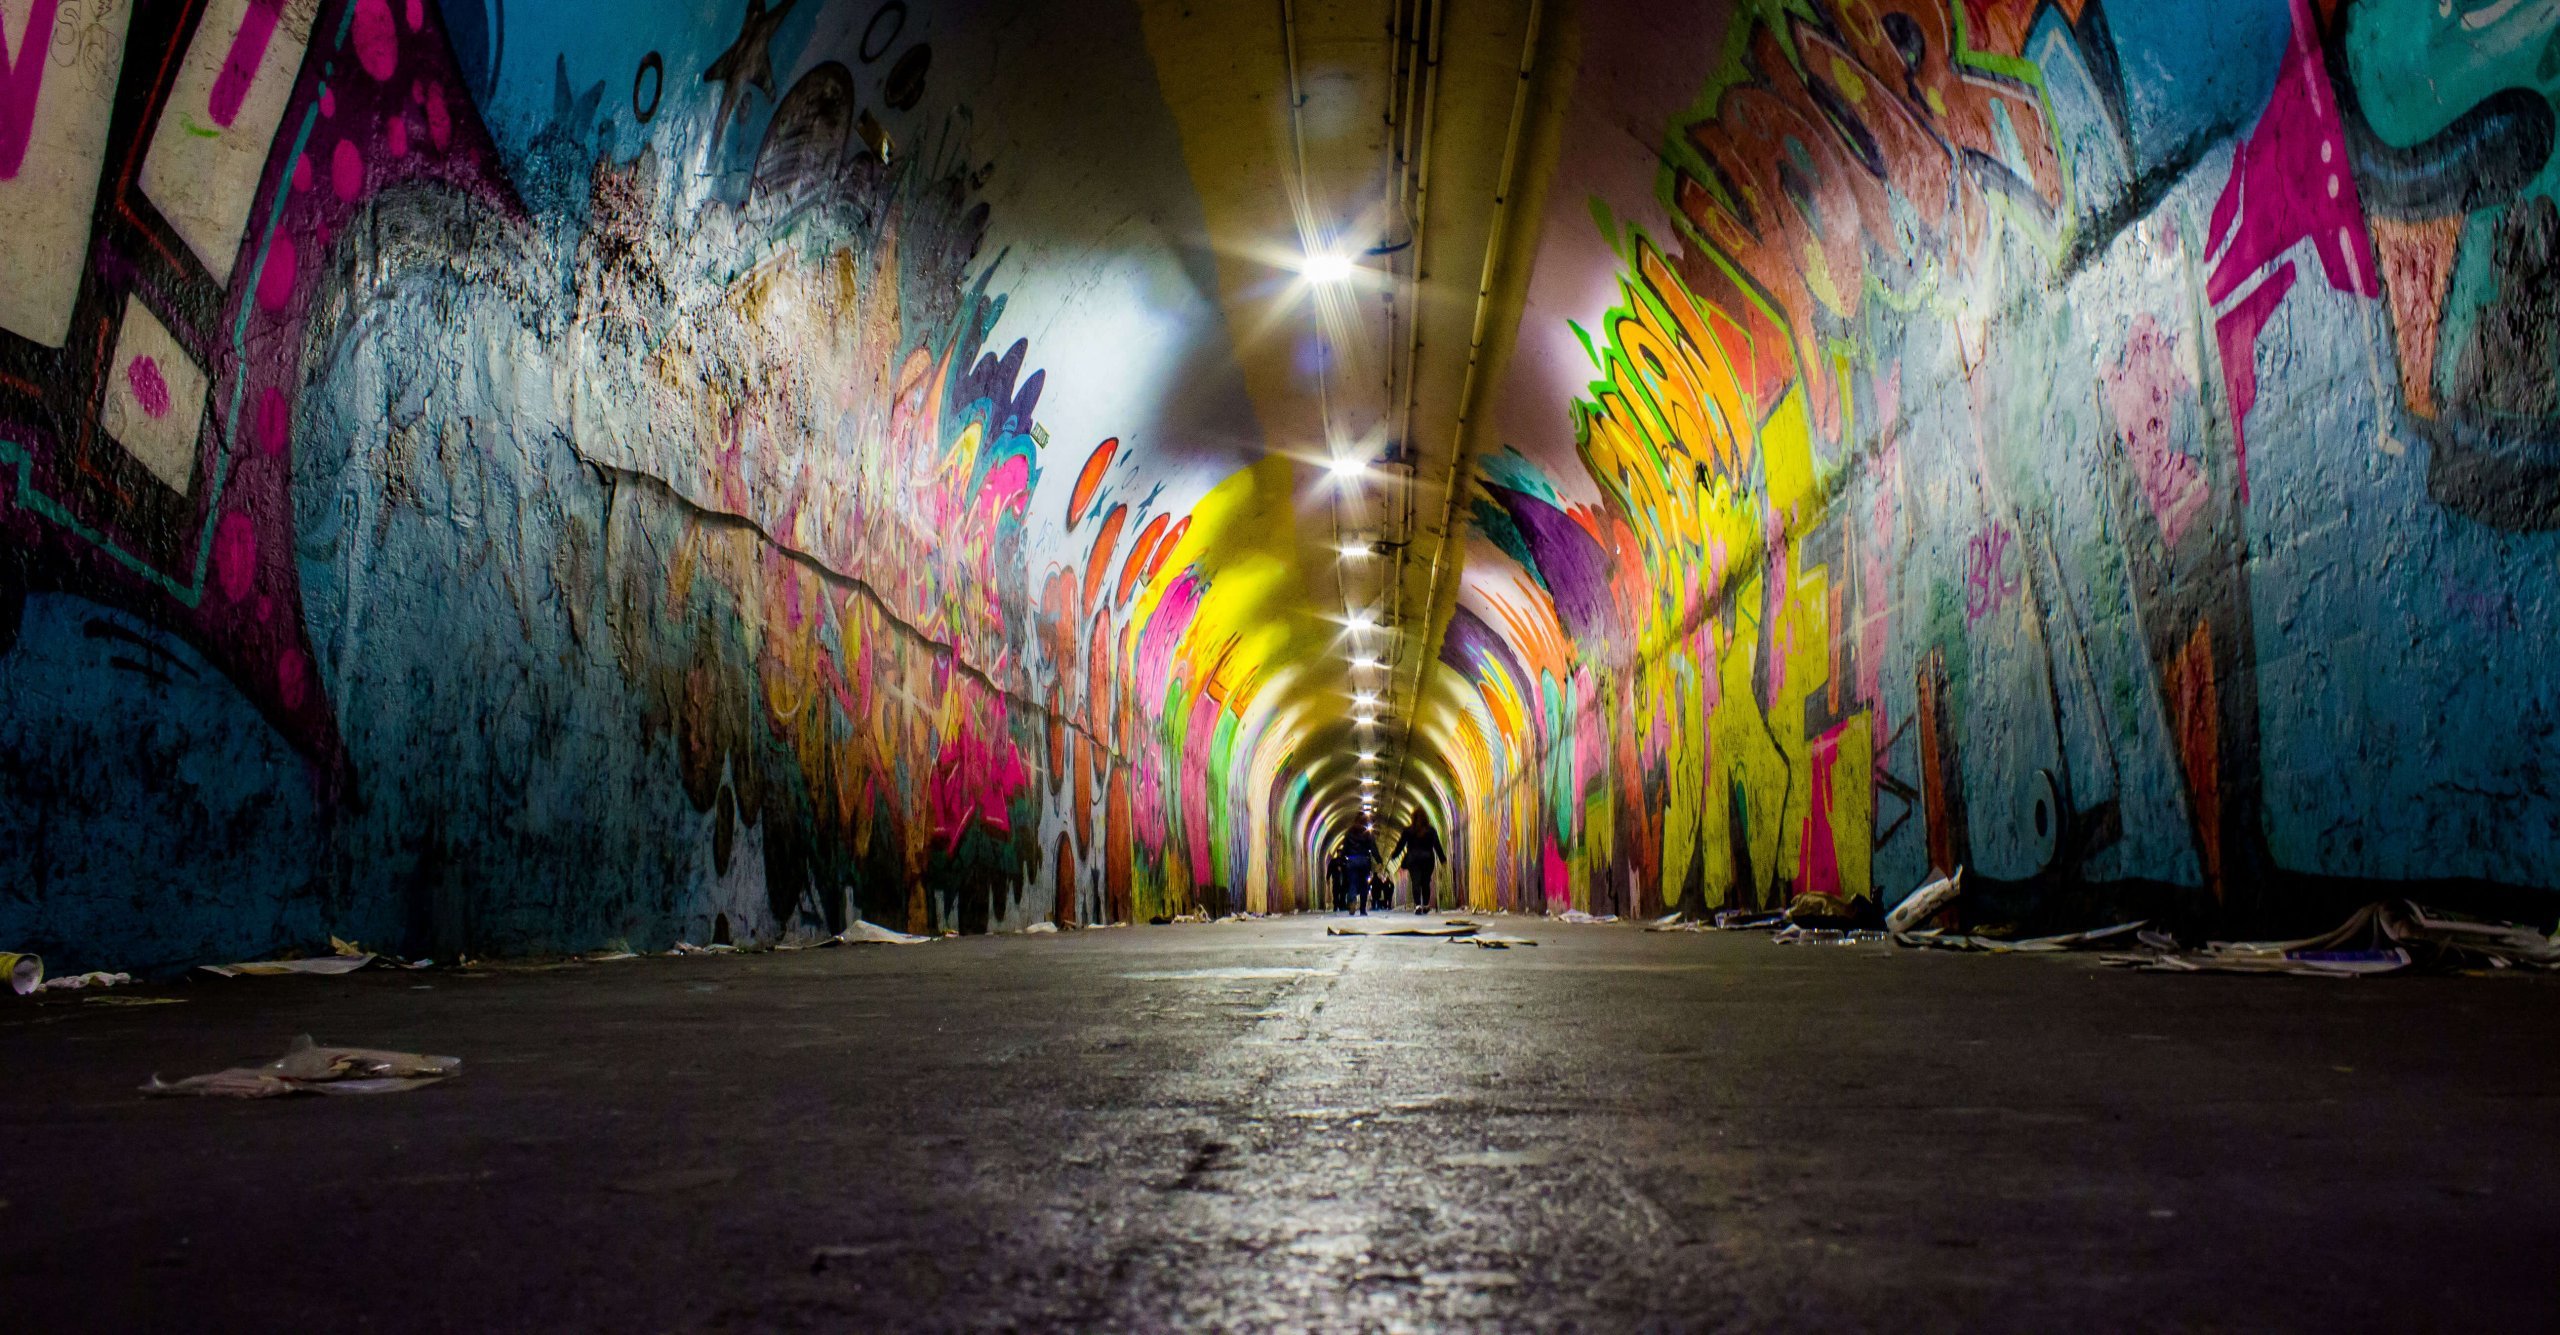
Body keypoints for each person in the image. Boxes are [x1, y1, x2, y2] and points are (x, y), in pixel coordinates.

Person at [1396, 815, 1445, 914]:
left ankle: (1418, 906)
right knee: (1426, 882)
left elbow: (1401, 844)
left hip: (1413, 860)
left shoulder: (1408, 830)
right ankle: (1426, 905)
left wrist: (1394, 855)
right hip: (1428, 859)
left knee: (1416, 882)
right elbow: (1437, 844)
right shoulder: (1431, 830)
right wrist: (1442, 858)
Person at [1340, 826, 1379, 915]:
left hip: (1352, 861)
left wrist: (1342, 859)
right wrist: (1379, 860)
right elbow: (1373, 848)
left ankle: (1353, 900)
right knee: (1364, 885)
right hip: (1364, 861)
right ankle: (1362, 909)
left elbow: (1345, 848)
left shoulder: (1349, 833)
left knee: (1352, 883)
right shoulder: (1367, 835)